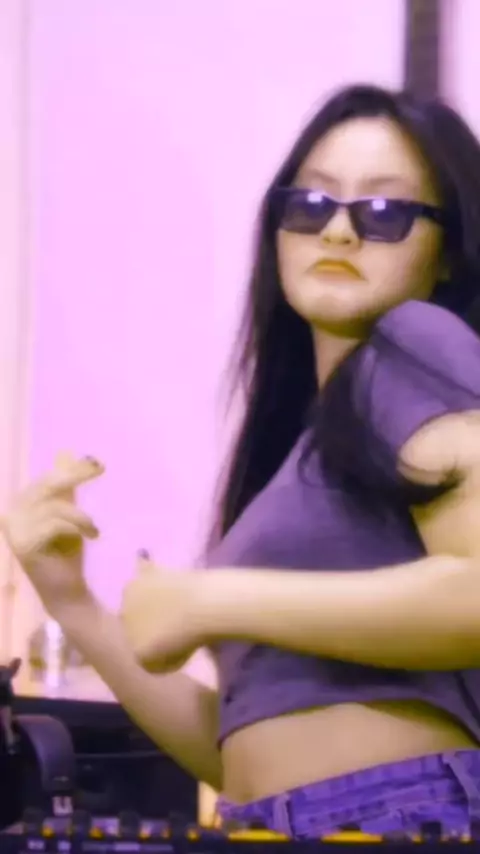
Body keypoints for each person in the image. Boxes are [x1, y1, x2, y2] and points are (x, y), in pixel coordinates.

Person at [5, 83, 480, 839]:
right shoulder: (312, 443)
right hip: (271, 819)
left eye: (384, 212)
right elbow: (237, 752)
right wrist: (73, 603)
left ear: (447, 253)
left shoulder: (414, 345)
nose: (338, 232)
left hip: (392, 810)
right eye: (310, 205)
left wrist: (211, 600)